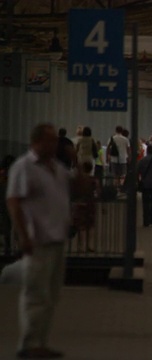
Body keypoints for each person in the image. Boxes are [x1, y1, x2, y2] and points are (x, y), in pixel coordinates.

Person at [6, 123, 91, 359]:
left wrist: (77, 164)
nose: (55, 145)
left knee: (51, 296)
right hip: (37, 240)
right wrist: (23, 235)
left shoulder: (57, 168)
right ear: (37, 141)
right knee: (35, 294)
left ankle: (40, 342)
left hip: (57, 240)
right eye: (50, 140)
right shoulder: (24, 168)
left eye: (55, 141)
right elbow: (14, 202)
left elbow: (81, 188)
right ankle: (29, 344)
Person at [1, 154, 16, 256]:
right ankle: (10, 247)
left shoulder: (2, 174)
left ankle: (8, 247)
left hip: (3, 202)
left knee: (6, 226)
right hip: (11, 202)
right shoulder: (14, 174)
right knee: (11, 226)